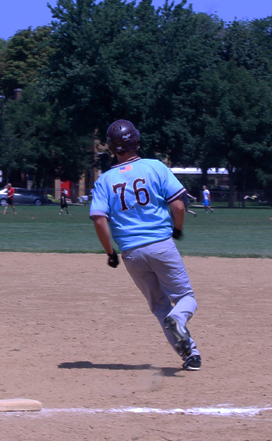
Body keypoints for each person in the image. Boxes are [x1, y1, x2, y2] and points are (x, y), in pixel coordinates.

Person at [89, 119, 202, 371]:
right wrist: (178, 229)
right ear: (137, 140)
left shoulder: (104, 180)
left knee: (159, 305)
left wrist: (110, 253)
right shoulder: (155, 167)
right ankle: (179, 320)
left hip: (131, 252)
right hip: (160, 244)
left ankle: (190, 354)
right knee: (185, 298)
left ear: (112, 147)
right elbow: (179, 205)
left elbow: (99, 219)